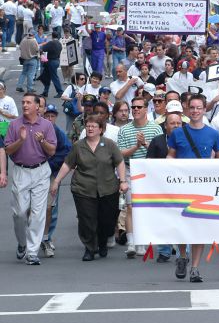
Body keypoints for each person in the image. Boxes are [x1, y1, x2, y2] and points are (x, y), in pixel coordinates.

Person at [50, 114, 127, 261]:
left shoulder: (109, 144)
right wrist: (57, 181)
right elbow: (67, 164)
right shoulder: (78, 146)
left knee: (107, 221)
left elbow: (120, 162)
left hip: (108, 188)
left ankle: (103, 242)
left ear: (101, 129)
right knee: (87, 220)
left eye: (94, 126)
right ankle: (90, 248)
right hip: (83, 188)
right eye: (88, 126)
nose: (90, 128)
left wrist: (123, 181)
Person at [167, 94, 219, 282]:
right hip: (182, 188)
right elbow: (171, 156)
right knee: (182, 226)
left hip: (203, 189)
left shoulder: (213, 134)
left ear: (204, 109)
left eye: (199, 108)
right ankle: (183, 256)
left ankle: (195, 267)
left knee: (199, 228)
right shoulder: (177, 133)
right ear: (186, 109)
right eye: (192, 108)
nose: (195, 111)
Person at [4, 93, 56, 265]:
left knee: (37, 212)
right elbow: (8, 150)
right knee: (19, 213)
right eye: (23, 102)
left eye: (28, 102)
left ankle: (32, 252)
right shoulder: (14, 125)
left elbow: (51, 151)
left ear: (36, 106)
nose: (25, 105)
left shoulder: (47, 125)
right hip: (21, 171)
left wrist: (42, 141)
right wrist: (21, 140)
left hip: (41, 171)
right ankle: (22, 243)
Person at [118, 96, 162, 258]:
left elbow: (160, 150)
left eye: (139, 107)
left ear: (146, 109)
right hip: (130, 169)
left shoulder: (156, 128)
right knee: (130, 206)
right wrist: (136, 146)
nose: (135, 110)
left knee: (145, 207)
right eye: (133, 107)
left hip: (149, 171)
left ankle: (142, 241)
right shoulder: (124, 129)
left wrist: (144, 144)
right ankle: (131, 241)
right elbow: (121, 153)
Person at [146, 111, 183, 263]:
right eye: (172, 123)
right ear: (165, 126)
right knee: (162, 219)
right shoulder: (157, 141)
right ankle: (164, 250)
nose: (175, 126)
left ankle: (183, 252)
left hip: (182, 188)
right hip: (161, 187)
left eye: (178, 123)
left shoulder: (186, 140)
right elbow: (148, 163)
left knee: (183, 220)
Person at [41, 104, 72, 258]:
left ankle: (46, 238)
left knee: (49, 208)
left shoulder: (58, 132)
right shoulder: (37, 129)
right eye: (47, 115)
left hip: (51, 173)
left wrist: (50, 164)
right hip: (33, 172)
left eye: (53, 116)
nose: (50, 118)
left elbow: (67, 151)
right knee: (29, 209)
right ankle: (32, 238)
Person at [40, 32, 64, 98]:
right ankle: (45, 92)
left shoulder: (51, 43)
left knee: (53, 77)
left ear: (52, 36)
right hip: (56, 60)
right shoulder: (59, 44)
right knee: (47, 76)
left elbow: (42, 48)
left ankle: (60, 91)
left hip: (51, 61)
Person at [16, 29, 39, 94]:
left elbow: (20, 47)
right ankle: (30, 88)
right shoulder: (33, 40)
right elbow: (37, 49)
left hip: (24, 59)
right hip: (32, 59)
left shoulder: (23, 40)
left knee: (23, 73)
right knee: (31, 74)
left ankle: (19, 86)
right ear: (34, 35)